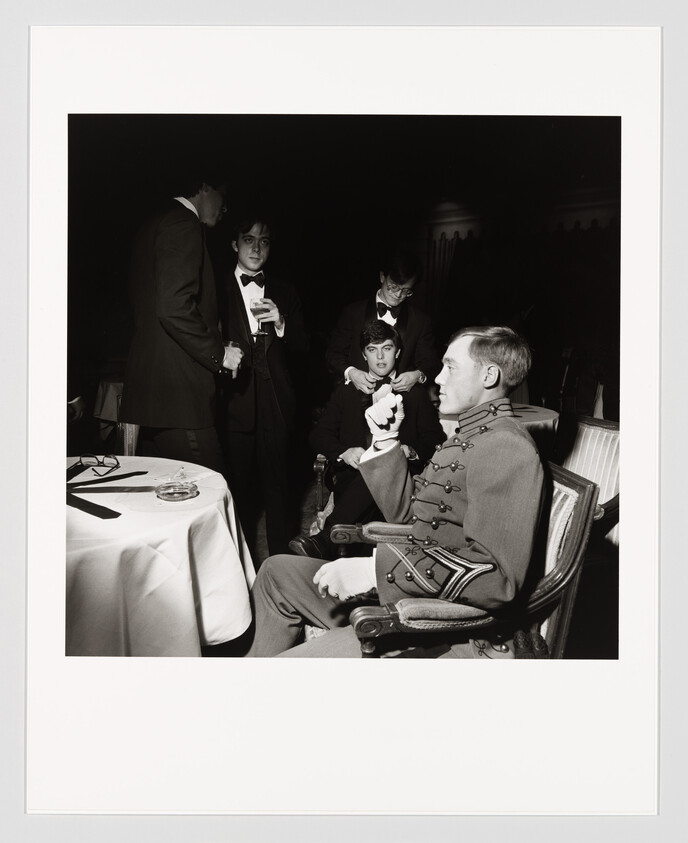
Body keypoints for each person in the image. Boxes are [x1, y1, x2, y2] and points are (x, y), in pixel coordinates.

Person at [246, 326, 545, 658]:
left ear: (489, 375)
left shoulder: (505, 446)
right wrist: (386, 440)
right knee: (275, 571)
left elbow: (498, 579)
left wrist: (373, 571)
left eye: (451, 367)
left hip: (436, 625)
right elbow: (409, 515)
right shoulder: (470, 435)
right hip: (408, 590)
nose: (438, 378)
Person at [289, 319, 444, 561]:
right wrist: (344, 452)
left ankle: (326, 538)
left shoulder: (414, 393)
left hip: (399, 482)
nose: (380, 357)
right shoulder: (347, 390)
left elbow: (436, 439)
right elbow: (318, 435)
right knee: (371, 474)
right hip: (352, 478)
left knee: (382, 469)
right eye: (373, 349)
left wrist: (410, 451)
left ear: (398, 352)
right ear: (364, 354)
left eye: (387, 348)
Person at [120, 173, 242, 472]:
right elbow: (173, 308)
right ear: (203, 186)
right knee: (210, 494)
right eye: (222, 197)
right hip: (180, 398)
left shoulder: (153, 223)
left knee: (163, 503)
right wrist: (220, 352)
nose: (225, 208)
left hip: (154, 397)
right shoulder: (183, 223)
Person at [217, 215, 309, 560]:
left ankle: (283, 574)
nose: (256, 248)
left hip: (277, 403)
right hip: (234, 401)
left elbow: (303, 346)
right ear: (234, 244)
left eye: (265, 241)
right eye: (249, 239)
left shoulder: (285, 290)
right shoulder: (216, 287)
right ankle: (235, 573)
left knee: (280, 491)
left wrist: (282, 323)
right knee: (236, 489)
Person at [325, 246, 441, 395]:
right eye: (393, 287)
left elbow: (431, 363)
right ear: (382, 277)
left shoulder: (420, 320)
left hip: (402, 403)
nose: (398, 295)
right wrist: (352, 373)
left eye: (406, 291)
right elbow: (333, 354)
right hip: (355, 400)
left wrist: (417, 376)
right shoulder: (352, 313)